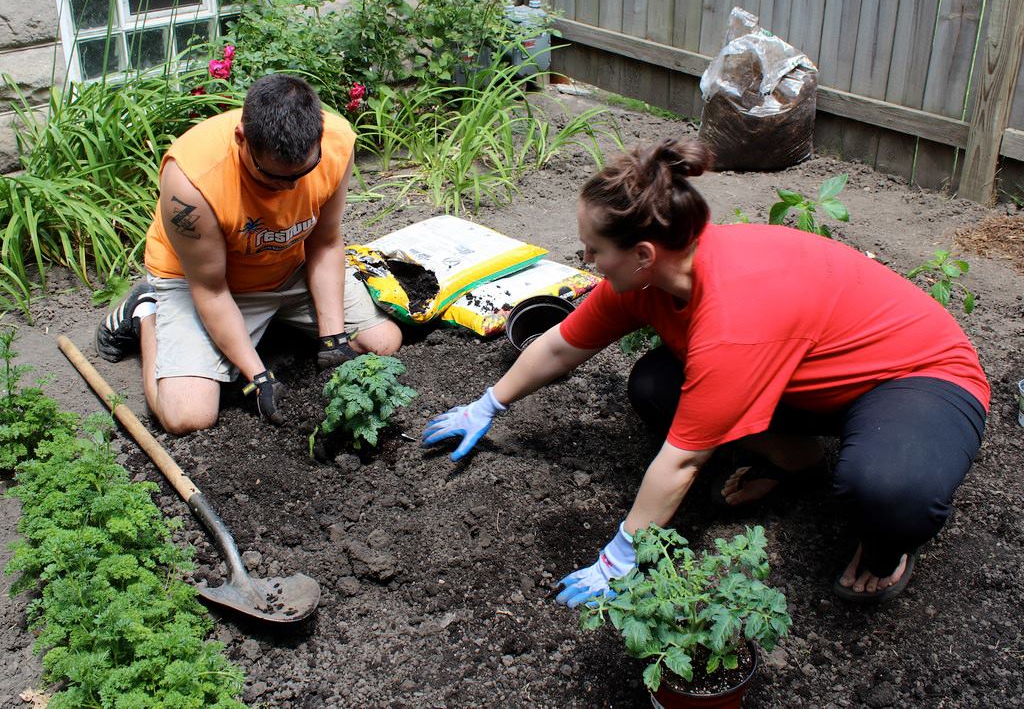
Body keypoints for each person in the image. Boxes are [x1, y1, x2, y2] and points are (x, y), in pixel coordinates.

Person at [422, 138, 989, 606]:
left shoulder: (733, 316)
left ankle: (887, 550)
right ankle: (800, 461)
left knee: (889, 492)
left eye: (592, 251)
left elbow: (683, 460)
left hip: (916, 379)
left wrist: (620, 555)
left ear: (643, 254)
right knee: (654, 385)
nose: (586, 262)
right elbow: (559, 347)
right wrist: (488, 404)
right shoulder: (649, 278)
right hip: (802, 374)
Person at [95, 74, 401, 434]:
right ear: (242, 138)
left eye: (302, 174)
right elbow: (210, 289)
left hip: (289, 266)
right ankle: (145, 312)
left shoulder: (337, 143)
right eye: (272, 179)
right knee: (188, 416)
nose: (290, 188)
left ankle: (268, 326)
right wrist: (257, 377)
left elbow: (325, 242)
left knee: (383, 342)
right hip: (208, 284)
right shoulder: (191, 182)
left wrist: (332, 341)